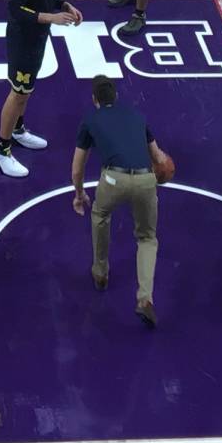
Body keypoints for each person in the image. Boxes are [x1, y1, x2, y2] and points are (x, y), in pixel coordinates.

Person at [73, 74, 166, 327]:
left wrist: (80, 195)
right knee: (147, 238)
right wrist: (166, 169)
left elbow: (77, 168)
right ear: (116, 96)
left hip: (113, 179)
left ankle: (100, 273)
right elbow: (158, 157)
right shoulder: (137, 116)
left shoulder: (91, 119)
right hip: (147, 179)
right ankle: (145, 299)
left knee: (100, 216)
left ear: (95, 100)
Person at [0, 0, 78, 179]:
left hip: (38, 37)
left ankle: (18, 130)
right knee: (18, 92)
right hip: (23, 40)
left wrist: (62, 5)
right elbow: (16, 9)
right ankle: (2, 149)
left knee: (27, 90)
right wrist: (51, 17)